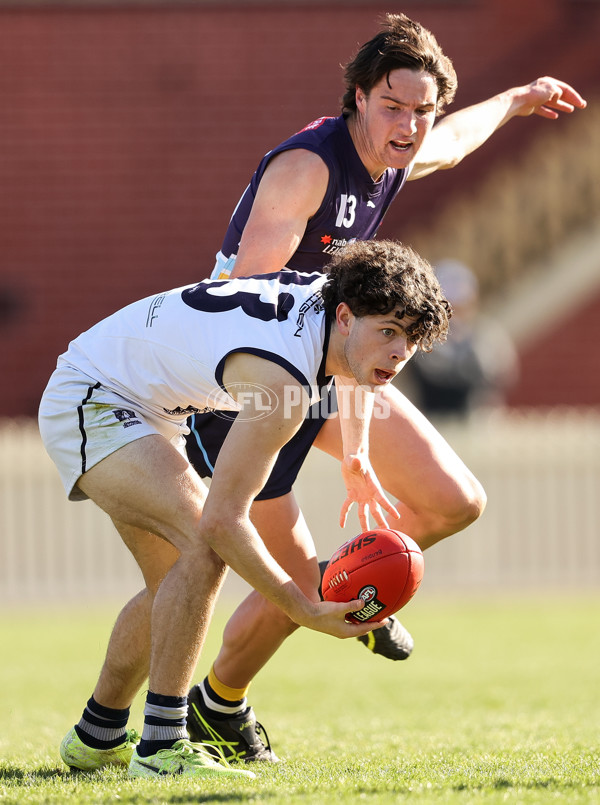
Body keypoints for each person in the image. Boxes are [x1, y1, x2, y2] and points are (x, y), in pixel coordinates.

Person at [182, 13, 587, 762]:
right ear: (358, 98)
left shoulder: (401, 152)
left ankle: (348, 587)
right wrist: (335, 416)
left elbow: (456, 141)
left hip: (328, 368)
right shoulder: (307, 168)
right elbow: (249, 306)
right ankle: (221, 705)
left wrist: (519, 98)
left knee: (452, 500)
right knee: (305, 590)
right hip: (249, 386)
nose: (408, 125)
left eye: (420, 110)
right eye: (393, 106)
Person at [39, 239, 450, 779]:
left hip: (135, 400)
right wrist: (302, 607)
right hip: (96, 397)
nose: (400, 353)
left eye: (412, 338)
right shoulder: (283, 386)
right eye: (389, 332)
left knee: (173, 584)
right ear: (347, 317)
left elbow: (356, 370)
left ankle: (97, 736)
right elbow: (224, 520)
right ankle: (162, 747)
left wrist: (356, 455)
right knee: (204, 548)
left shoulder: (332, 305)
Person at [406, 259, 519, 417]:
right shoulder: (420, 338)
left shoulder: (488, 336)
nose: (455, 315)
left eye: (461, 306)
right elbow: (431, 376)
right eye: (449, 307)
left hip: (478, 421)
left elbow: (502, 374)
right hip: (433, 420)